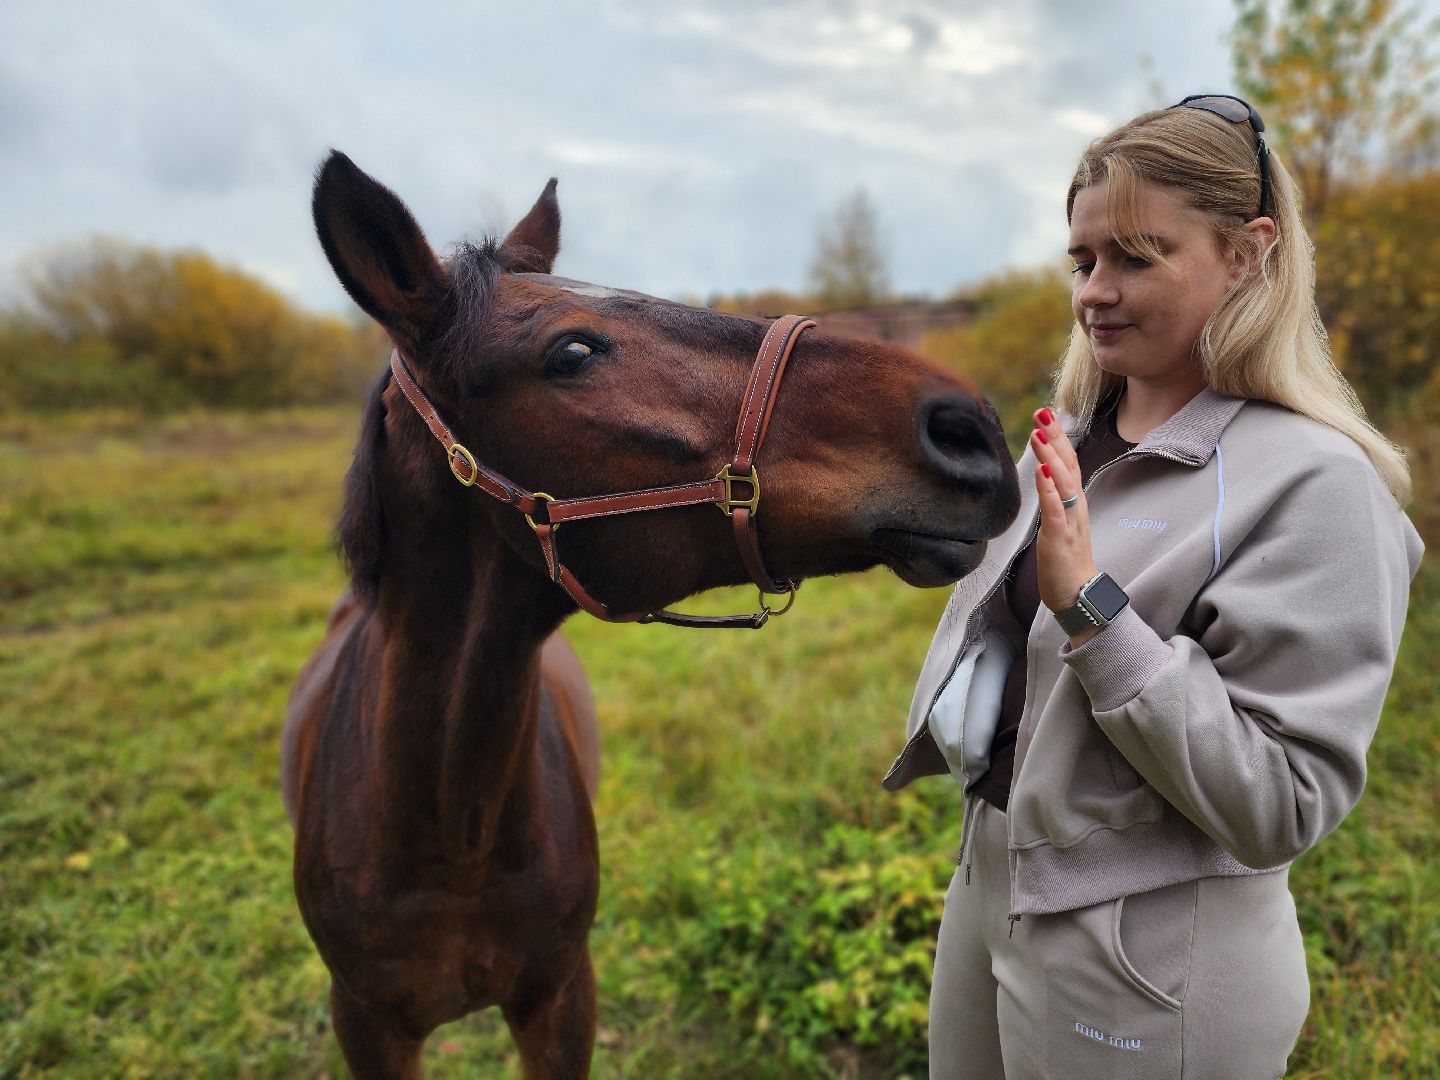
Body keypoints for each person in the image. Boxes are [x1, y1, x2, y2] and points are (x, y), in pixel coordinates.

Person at [883, 94, 1424, 1079]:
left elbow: (1282, 800)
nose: (1095, 292)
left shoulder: (1318, 485)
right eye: (1082, 261)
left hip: (1146, 951)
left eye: (1136, 257)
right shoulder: (1069, 435)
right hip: (991, 882)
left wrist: (1093, 611)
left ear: (1248, 252)